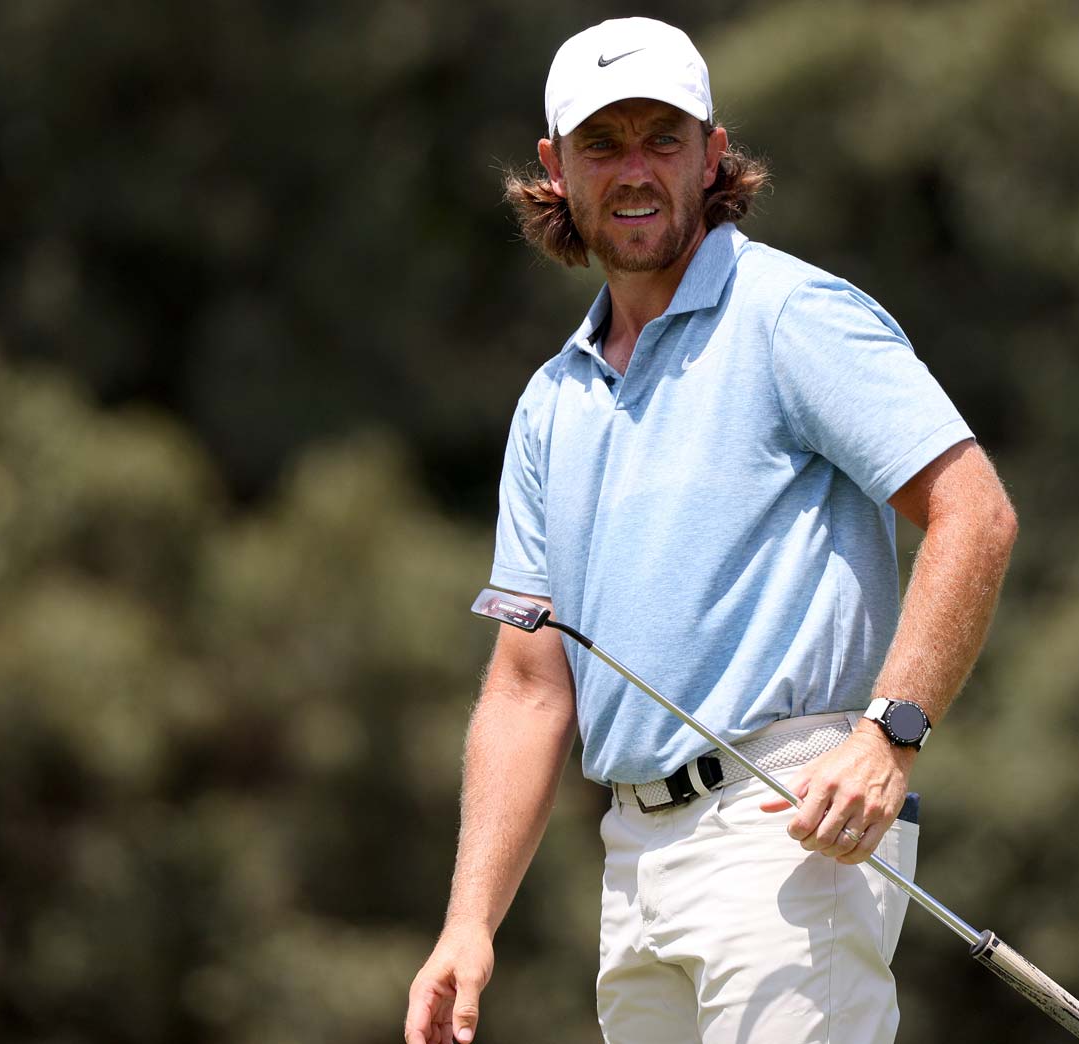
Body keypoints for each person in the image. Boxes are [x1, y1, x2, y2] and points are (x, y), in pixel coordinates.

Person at [405, 16, 1016, 1044]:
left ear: (711, 154)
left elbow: (975, 511)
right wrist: (470, 922)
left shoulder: (791, 315)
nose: (634, 170)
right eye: (603, 144)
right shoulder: (552, 401)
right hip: (633, 865)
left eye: (663, 138)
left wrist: (890, 735)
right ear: (556, 168)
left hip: (789, 830)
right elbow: (526, 687)